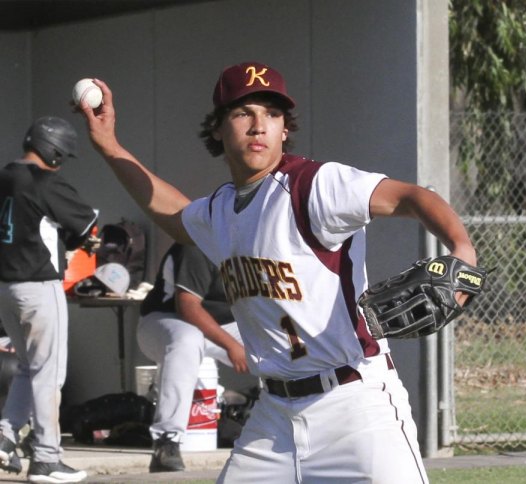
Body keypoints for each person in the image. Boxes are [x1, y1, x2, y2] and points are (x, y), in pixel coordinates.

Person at [78, 62, 477, 483]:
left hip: (355, 407)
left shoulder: (314, 185)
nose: (258, 126)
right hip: (273, 419)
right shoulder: (221, 210)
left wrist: (462, 249)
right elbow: (175, 214)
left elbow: (411, 197)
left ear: (285, 129)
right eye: (242, 112)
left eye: (271, 113)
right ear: (216, 128)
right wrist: (109, 146)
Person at [0, 116, 97, 483]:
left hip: (5, 288)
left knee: (28, 368)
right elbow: (87, 225)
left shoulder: (3, 175)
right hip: (39, 285)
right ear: (53, 150)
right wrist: (77, 241)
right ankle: (46, 458)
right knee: (48, 375)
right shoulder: (44, 181)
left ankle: (5, 436)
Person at [137, 242, 247, 473]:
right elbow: (188, 307)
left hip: (223, 326)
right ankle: (167, 441)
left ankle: (284, 426)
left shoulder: (257, 242)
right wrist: (232, 346)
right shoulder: (197, 241)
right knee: (187, 340)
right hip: (165, 321)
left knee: (281, 342)